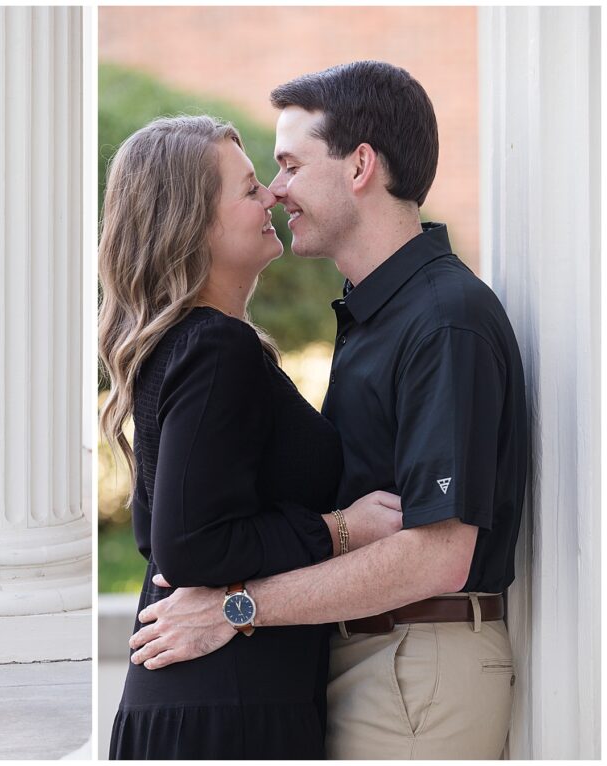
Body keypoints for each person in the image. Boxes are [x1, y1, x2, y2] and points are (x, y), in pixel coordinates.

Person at [127, 61, 528, 760]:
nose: (277, 190)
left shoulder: (443, 319)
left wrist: (235, 607)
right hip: (361, 658)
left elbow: (438, 557)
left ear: (360, 166)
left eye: (287, 165)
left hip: (413, 666)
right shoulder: (376, 314)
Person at [98, 115, 403, 759]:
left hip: (215, 699)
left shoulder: (189, 345)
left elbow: (163, 530)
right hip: (226, 712)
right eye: (247, 190)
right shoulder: (214, 348)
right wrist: (340, 530)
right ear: (191, 224)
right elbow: (185, 546)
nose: (270, 196)